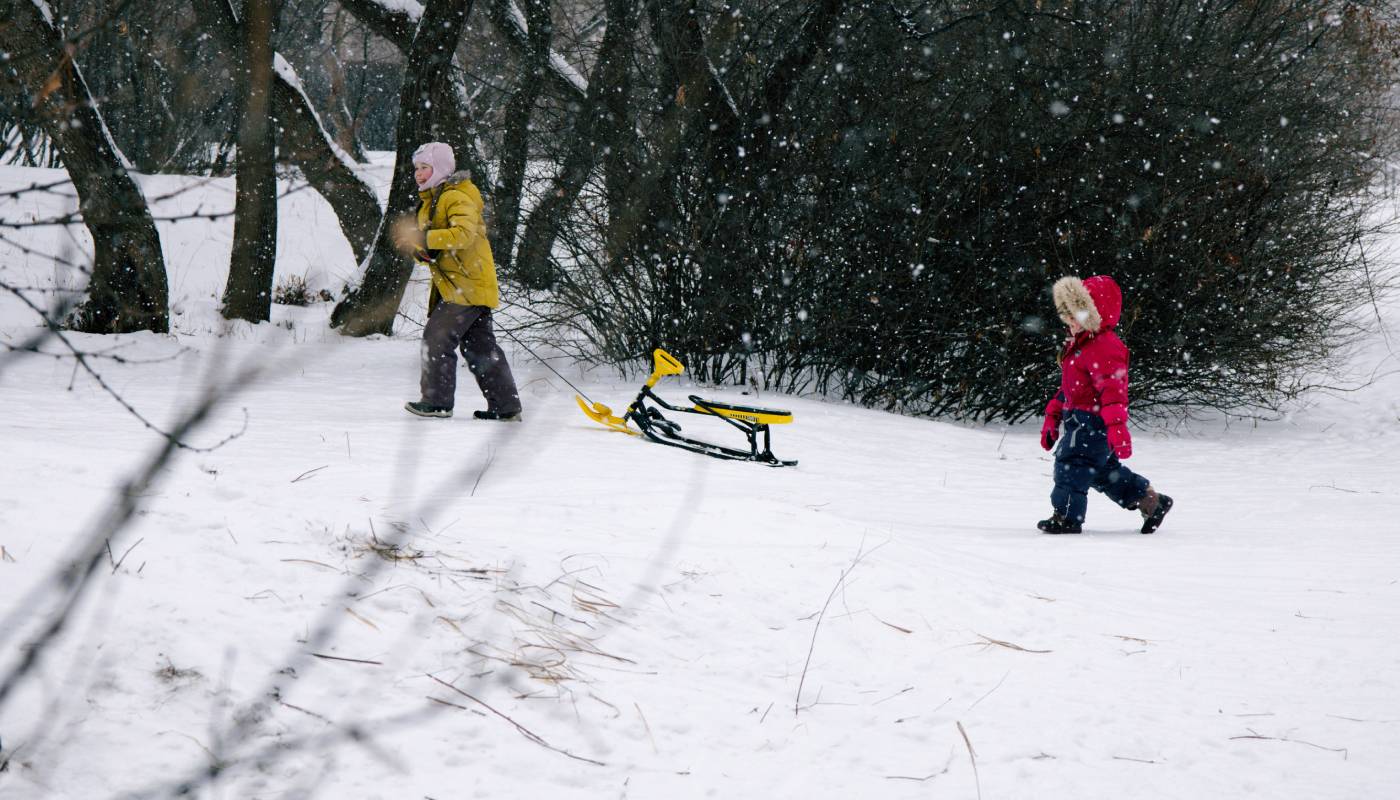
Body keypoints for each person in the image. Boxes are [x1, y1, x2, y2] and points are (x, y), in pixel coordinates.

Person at [393, 142, 522, 421]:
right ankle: (505, 406)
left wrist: (424, 238)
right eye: (417, 168)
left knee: (436, 338)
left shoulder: (456, 197)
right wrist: (418, 248)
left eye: (425, 168)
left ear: (439, 169)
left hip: (467, 284)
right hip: (460, 285)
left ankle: (437, 402)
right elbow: (437, 250)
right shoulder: (432, 201)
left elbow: (463, 235)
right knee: (480, 347)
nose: (419, 174)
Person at [1037, 275, 1172, 534]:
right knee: (1101, 472)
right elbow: (1070, 389)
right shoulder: (1080, 346)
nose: (1071, 322)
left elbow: (1113, 395)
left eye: (1077, 315)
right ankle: (1151, 502)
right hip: (1080, 421)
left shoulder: (1104, 347)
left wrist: (1117, 428)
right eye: (1068, 315)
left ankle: (1066, 517)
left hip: (1092, 423)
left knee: (1071, 466)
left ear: (1094, 315)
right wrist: (1052, 416)